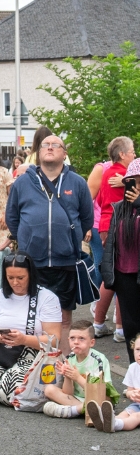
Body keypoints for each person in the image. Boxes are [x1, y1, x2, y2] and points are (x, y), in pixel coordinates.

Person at [5, 133, 93, 335]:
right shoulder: (22, 183)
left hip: (66, 262)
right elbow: (12, 218)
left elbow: (87, 218)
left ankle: (59, 364)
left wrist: (70, 241)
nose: (50, 147)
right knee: (32, 317)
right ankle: (34, 364)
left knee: (63, 319)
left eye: (56, 145)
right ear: (38, 153)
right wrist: (28, 240)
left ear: (64, 154)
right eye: (46, 145)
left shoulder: (78, 183)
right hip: (33, 262)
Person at [0, 251, 62, 405]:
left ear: (31, 275)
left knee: (8, 392)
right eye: (10, 278)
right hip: (4, 351)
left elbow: (54, 340)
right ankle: (2, 387)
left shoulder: (47, 298)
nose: (15, 282)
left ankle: (4, 389)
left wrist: (24, 339)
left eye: (20, 278)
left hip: (34, 354)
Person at [89, 136, 135, 337]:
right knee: (122, 275)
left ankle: (99, 323)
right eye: (132, 151)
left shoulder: (107, 172)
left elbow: (98, 199)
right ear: (123, 154)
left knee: (111, 275)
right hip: (121, 227)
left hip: (105, 226)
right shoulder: (128, 175)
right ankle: (120, 328)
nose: (134, 154)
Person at [99, 159, 140, 360]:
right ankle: (135, 371)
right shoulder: (119, 208)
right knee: (131, 327)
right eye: (133, 181)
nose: (137, 185)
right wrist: (109, 272)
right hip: (124, 275)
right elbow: (113, 243)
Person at [41, 323, 116, 420]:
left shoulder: (99, 360)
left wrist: (78, 378)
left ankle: (73, 411)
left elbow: (100, 390)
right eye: (72, 338)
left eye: (81, 338)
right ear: (68, 340)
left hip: (98, 397)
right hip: (78, 400)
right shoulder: (69, 359)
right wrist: (68, 376)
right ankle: (87, 410)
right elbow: (68, 393)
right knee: (49, 389)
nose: (76, 342)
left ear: (92, 342)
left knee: (104, 399)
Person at [96, 336, 140, 432]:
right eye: (138, 349)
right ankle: (109, 421)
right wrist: (132, 394)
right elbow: (129, 391)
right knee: (125, 413)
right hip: (137, 405)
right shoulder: (133, 367)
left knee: (136, 416)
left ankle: (116, 425)